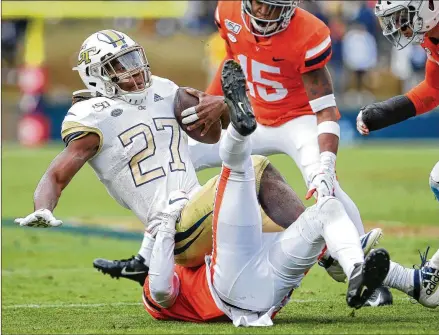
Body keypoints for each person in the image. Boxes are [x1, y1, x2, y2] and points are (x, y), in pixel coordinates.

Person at [139, 60, 438, 326]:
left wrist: (164, 231)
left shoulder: (175, 248)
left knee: (327, 208)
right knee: (246, 166)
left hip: (265, 292)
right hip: (225, 287)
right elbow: (161, 293)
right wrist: (165, 229)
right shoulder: (163, 266)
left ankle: (357, 270)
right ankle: (239, 127)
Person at [12, 29, 321, 281]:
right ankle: (328, 247)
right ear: (96, 76)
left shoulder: (162, 89)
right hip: (176, 229)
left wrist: (217, 109)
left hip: (196, 212)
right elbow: (56, 174)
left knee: (286, 229)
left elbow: (212, 132)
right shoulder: (92, 116)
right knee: (255, 168)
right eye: (118, 65)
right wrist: (43, 208)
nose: (133, 69)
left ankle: (335, 252)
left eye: (133, 58)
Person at [176, 0, 378, 290]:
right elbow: (233, 59)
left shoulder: (309, 31)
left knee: (324, 185)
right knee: (180, 153)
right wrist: (213, 101)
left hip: (298, 121)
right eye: (259, 4)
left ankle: (361, 267)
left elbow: (326, 110)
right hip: (252, 115)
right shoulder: (228, 10)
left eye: (273, 6)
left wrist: (327, 165)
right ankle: (162, 234)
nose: (262, 13)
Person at [356, 0, 439, 201]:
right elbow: (433, 89)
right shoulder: (430, 39)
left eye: (402, 17)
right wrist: (383, 113)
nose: (397, 25)